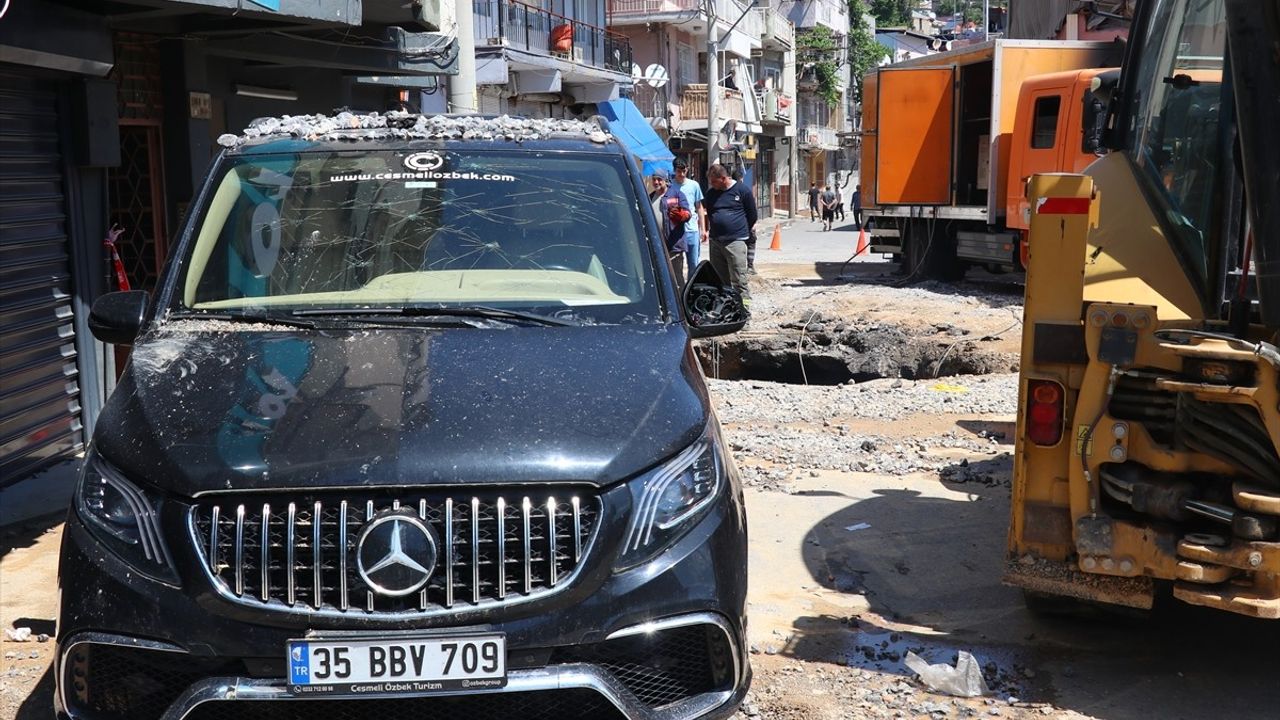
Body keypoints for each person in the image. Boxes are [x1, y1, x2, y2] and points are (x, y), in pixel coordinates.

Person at [703, 163, 757, 309]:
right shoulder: (711, 193)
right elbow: (710, 212)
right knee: (720, 281)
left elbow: (752, 215)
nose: (712, 185)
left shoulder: (742, 190)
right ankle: (725, 312)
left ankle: (745, 312)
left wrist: (739, 230)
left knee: (739, 280)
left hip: (736, 242)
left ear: (723, 178)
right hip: (716, 242)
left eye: (714, 182)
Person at [648, 168, 693, 284]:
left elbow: (687, 213)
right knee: (659, 276)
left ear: (665, 180)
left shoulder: (676, 194)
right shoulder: (650, 197)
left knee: (676, 277)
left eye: (659, 179)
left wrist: (683, 215)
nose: (656, 182)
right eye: (654, 180)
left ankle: (680, 301)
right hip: (656, 245)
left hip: (673, 245)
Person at [672, 159, 706, 274]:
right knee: (676, 265)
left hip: (692, 230)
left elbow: (699, 207)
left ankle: (692, 288)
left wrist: (703, 229)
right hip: (676, 232)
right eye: (678, 171)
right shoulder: (670, 187)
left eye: (683, 171)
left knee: (693, 264)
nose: (681, 174)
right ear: (674, 171)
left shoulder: (694, 185)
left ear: (687, 170)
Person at [731, 166, 758, 274]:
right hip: (745, 223)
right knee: (750, 243)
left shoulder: (728, 191)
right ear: (741, 178)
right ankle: (750, 266)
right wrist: (752, 224)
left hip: (734, 224)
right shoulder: (744, 190)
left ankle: (737, 268)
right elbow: (752, 210)